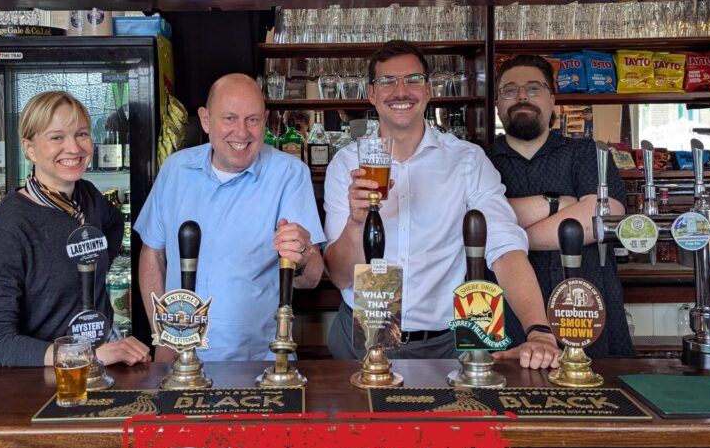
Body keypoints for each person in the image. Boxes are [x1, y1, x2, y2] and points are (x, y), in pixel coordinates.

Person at [324, 40, 561, 368]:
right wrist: (356, 222)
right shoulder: (346, 164)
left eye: (413, 80)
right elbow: (340, 277)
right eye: (388, 81)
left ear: (428, 90)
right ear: (372, 94)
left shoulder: (467, 160)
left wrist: (539, 331)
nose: (401, 91)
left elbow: (504, 246)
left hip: (444, 345)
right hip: (361, 338)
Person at [136, 73, 325, 362]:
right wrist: (163, 337)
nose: (242, 132)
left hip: (260, 362)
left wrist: (302, 257)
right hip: (181, 360)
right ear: (205, 120)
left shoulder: (289, 173)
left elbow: (311, 278)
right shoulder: (175, 170)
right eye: (230, 118)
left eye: (253, 119)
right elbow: (153, 255)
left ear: (266, 121)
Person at [0, 91, 151, 367]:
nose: (74, 148)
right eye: (57, 137)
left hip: (101, 356)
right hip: (45, 377)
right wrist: (87, 355)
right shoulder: (8, 225)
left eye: (82, 134)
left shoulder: (87, 195)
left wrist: (93, 267)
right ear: (30, 148)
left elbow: (114, 224)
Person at [488, 54, 633, 357]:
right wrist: (556, 206)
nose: (522, 97)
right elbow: (473, 219)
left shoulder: (586, 152)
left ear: (552, 100)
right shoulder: (479, 160)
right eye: (510, 90)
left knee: (596, 384)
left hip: (584, 303)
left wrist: (505, 239)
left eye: (534, 88)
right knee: (505, 385)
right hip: (502, 307)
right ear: (498, 103)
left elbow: (603, 216)